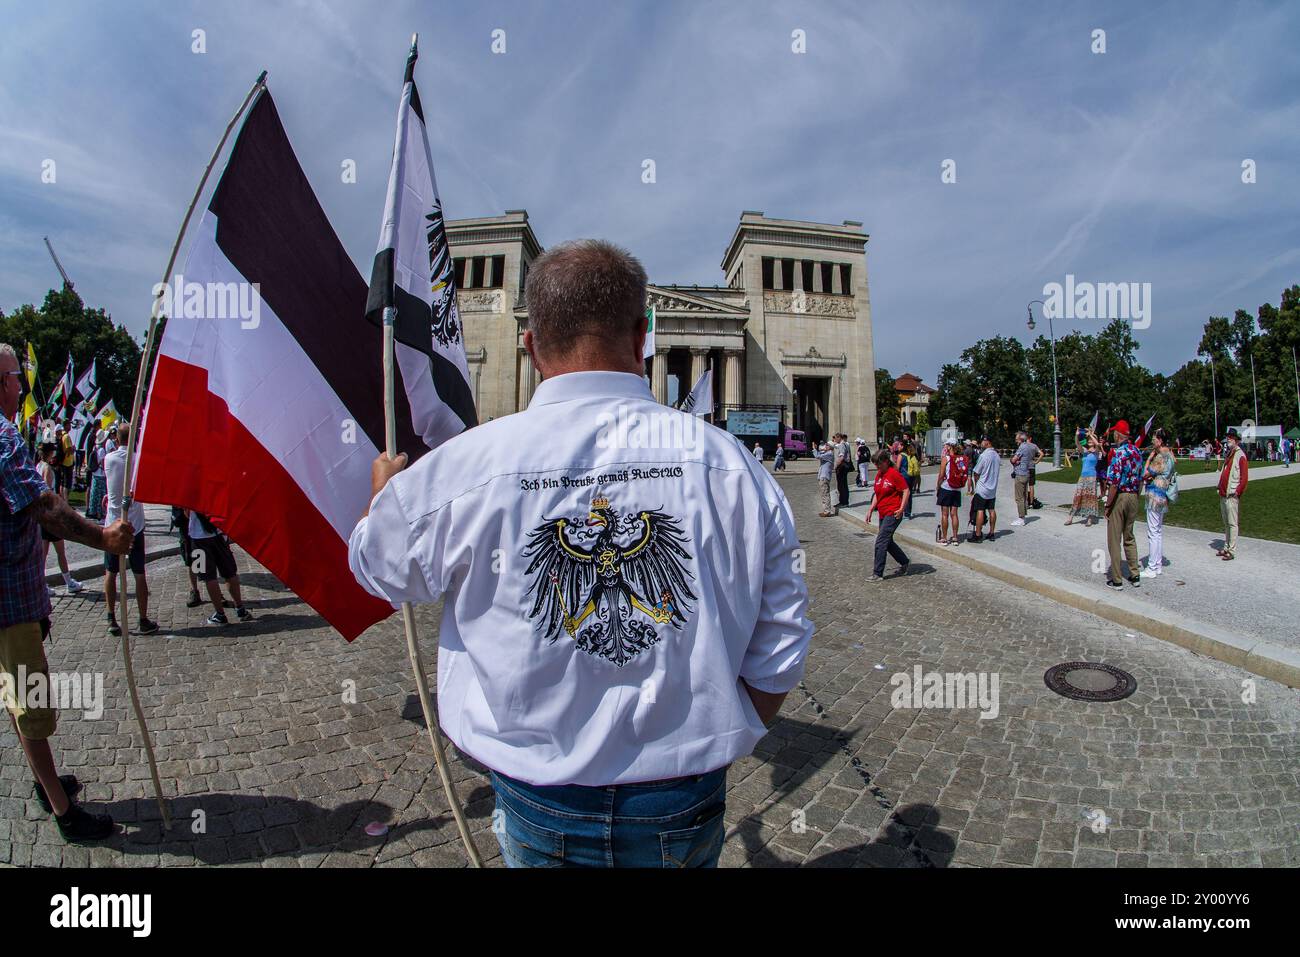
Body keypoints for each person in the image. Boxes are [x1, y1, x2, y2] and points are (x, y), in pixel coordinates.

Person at [349, 240, 813, 868]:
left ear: (530, 344)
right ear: (644, 334)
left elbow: (380, 571)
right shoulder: (736, 467)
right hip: (682, 796)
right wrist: (730, 731)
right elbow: (782, 643)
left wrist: (385, 505)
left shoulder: (463, 469)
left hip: (540, 794)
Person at [1, 342, 134, 841]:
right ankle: (63, 812)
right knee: (31, 705)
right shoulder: (2, 437)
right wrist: (101, 536)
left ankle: (46, 779)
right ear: (3, 383)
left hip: (10, 596)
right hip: (10, 601)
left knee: (17, 698)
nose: (22, 384)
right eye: (18, 376)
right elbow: (42, 503)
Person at [101, 421, 158, 636]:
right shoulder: (139, 460)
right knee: (139, 573)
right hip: (134, 524)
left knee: (111, 571)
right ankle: (143, 619)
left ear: (117, 439)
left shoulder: (109, 459)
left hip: (114, 521)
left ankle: (111, 616)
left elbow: (111, 483)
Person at [34, 443, 85, 596]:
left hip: (42, 515)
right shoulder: (48, 469)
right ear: (50, 453)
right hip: (51, 516)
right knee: (60, 552)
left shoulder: (38, 465)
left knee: (43, 554)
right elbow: (48, 492)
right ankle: (68, 581)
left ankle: (41, 583)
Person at [187, 510, 253, 624]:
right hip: (219, 534)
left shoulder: (190, 492)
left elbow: (186, 513)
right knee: (230, 573)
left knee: (208, 577)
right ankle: (240, 608)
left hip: (198, 538)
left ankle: (220, 614)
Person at [1102, 420, 1143, 589]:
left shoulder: (1119, 453)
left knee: (1114, 539)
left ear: (1118, 434)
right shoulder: (1137, 451)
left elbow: (1113, 483)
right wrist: (1136, 496)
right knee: (1129, 536)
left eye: (1114, 433)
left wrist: (1108, 504)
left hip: (1120, 496)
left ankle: (1117, 578)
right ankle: (1135, 574)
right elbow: (1140, 478)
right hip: (1134, 495)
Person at [865, 449, 910, 581]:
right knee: (887, 541)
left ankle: (877, 573)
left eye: (879, 464)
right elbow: (877, 495)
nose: (877, 467)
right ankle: (905, 562)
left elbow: (906, 490)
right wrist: (870, 509)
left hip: (893, 512)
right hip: (883, 512)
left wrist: (902, 508)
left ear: (885, 461)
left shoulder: (893, 474)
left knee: (881, 541)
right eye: (875, 465)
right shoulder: (879, 474)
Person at [1141, 428, 1176, 577]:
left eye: (1154, 439)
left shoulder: (1160, 456)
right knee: (1158, 531)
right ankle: (1158, 564)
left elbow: (1146, 474)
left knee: (1153, 532)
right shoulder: (1170, 456)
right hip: (1163, 494)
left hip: (1154, 494)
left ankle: (1152, 567)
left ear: (1160, 441)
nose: (1152, 441)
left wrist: (1148, 459)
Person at [1217, 428, 1248, 561]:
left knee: (1232, 523)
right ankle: (1226, 546)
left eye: (1231, 437)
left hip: (1231, 495)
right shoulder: (1230, 453)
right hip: (1224, 494)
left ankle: (1231, 549)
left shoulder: (1240, 455)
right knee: (1226, 523)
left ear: (1236, 440)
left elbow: (1244, 477)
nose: (1228, 439)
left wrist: (1237, 492)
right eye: (1228, 437)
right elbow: (1225, 471)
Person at [1065, 429, 1103, 527]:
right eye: (1089, 439)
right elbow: (1077, 444)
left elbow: (1098, 445)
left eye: (1092, 439)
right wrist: (1077, 435)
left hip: (1092, 477)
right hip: (1083, 476)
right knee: (1078, 496)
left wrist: (1091, 435)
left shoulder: (1097, 452)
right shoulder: (1085, 451)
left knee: (1090, 497)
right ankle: (1070, 517)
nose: (1090, 440)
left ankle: (1089, 519)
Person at [936, 440, 967, 546]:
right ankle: (955, 538)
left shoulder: (946, 459)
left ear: (949, 447)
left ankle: (944, 538)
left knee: (945, 514)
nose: (944, 447)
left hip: (946, 488)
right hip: (957, 489)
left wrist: (938, 486)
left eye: (945, 445)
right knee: (954, 514)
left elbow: (941, 475)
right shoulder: (960, 459)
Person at [969, 436, 1000, 542]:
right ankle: (992, 532)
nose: (981, 443)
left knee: (980, 510)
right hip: (992, 487)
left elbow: (976, 472)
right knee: (991, 509)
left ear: (988, 442)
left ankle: (978, 534)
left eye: (983, 441)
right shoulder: (996, 455)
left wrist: (976, 484)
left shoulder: (983, 455)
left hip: (983, 487)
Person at [1010, 430, 1039, 526]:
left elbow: (1014, 459)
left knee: (1019, 497)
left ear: (1021, 439)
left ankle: (1021, 518)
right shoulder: (1030, 446)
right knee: (1024, 496)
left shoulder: (1022, 447)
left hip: (1020, 473)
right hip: (1027, 472)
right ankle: (1024, 515)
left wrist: (1012, 460)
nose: (1016, 441)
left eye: (1017, 439)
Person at [84, 430, 107, 521]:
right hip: (100, 474)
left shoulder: (95, 448)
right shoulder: (102, 450)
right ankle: (99, 513)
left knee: (95, 494)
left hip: (94, 474)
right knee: (101, 495)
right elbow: (102, 463)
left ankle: (94, 511)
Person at [814, 440, 836, 517]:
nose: (825, 446)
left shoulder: (829, 454)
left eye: (827, 445)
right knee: (824, 493)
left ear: (830, 447)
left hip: (824, 476)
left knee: (825, 493)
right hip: (823, 476)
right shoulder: (827, 453)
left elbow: (817, 456)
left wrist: (814, 449)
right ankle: (826, 510)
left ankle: (827, 511)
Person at [1026, 431, 1044, 509]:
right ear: (1030, 438)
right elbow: (1042, 454)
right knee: (1031, 486)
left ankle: (1026, 502)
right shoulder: (1034, 446)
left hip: (1025, 468)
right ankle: (1031, 502)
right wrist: (1036, 462)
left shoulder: (1023, 446)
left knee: (1024, 485)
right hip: (1032, 467)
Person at [834, 433, 852, 508]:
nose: (835, 440)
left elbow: (841, 456)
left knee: (841, 485)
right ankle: (843, 501)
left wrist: (836, 466)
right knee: (843, 484)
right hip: (845, 466)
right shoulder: (846, 444)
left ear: (839, 438)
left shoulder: (841, 445)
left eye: (836, 438)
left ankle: (843, 502)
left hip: (842, 466)